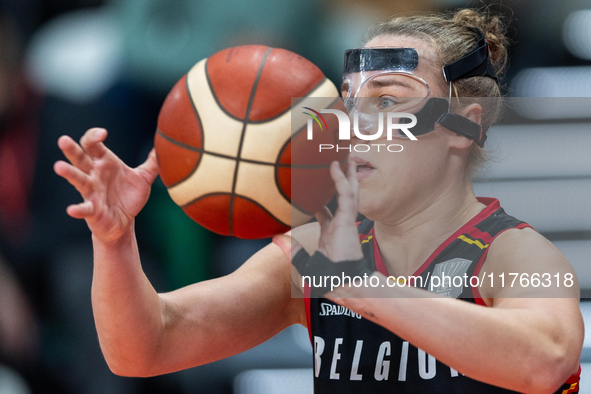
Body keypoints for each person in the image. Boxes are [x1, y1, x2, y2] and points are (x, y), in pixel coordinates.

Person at [54, 8, 584, 393]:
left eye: (389, 101)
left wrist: (367, 290)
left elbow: (543, 362)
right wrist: (115, 241)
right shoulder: (314, 254)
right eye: (349, 103)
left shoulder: (514, 254)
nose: (356, 125)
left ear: (462, 128)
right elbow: (145, 349)